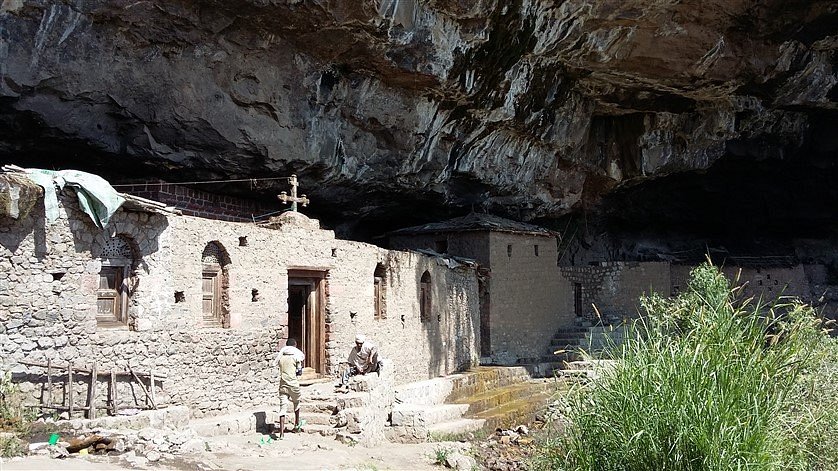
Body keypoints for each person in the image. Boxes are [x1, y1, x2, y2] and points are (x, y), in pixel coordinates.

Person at [273, 338, 304, 438]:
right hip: (293, 384)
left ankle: (281, 433)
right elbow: (299, 371)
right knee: (297, 402)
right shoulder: (296, 357)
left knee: (283, 407)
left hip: (283, 384)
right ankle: (296, 425)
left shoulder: (281, 358)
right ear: (294, 346)